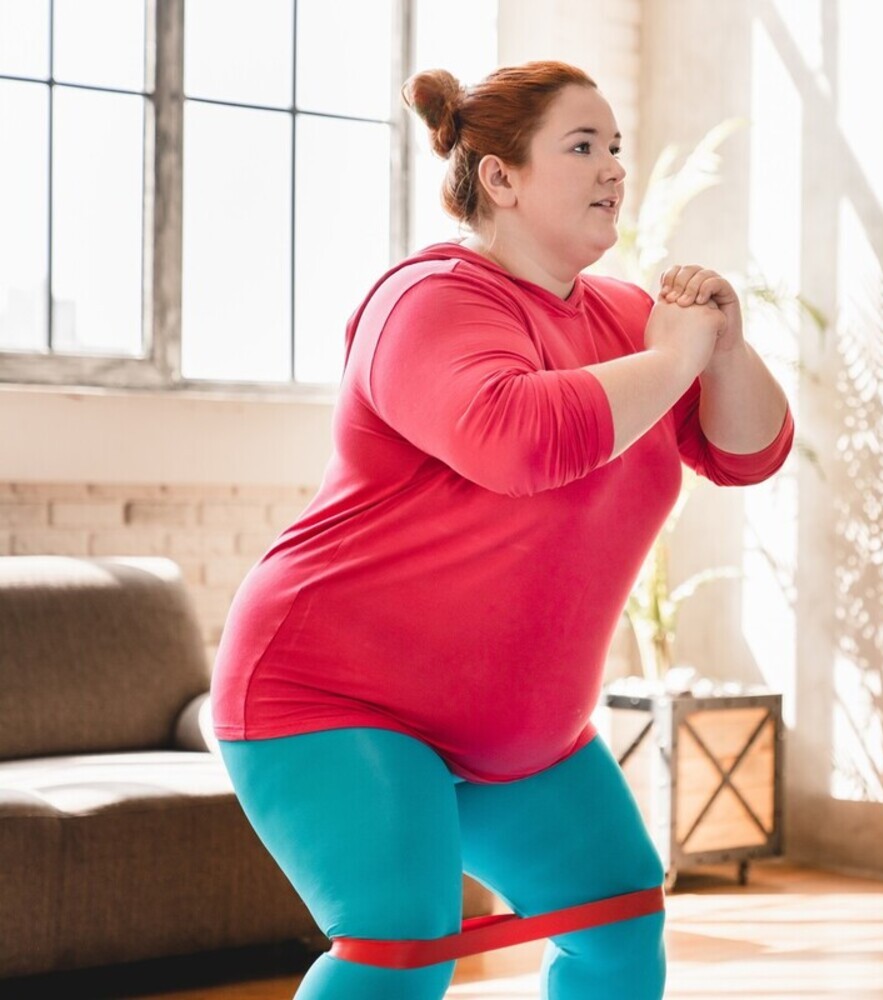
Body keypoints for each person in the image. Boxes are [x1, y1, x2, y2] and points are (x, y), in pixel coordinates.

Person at [209, 60, 793, 999]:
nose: (613, 168)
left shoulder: (630, 319)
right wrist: (676, 355)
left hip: (518, 726)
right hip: (333, 693)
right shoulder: (427, 300)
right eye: (582, 146)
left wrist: (720, 345)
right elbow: (518, 438)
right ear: (501, 177)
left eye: (615, 147)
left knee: (617, 919)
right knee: (400, 948)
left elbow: (747, 455)